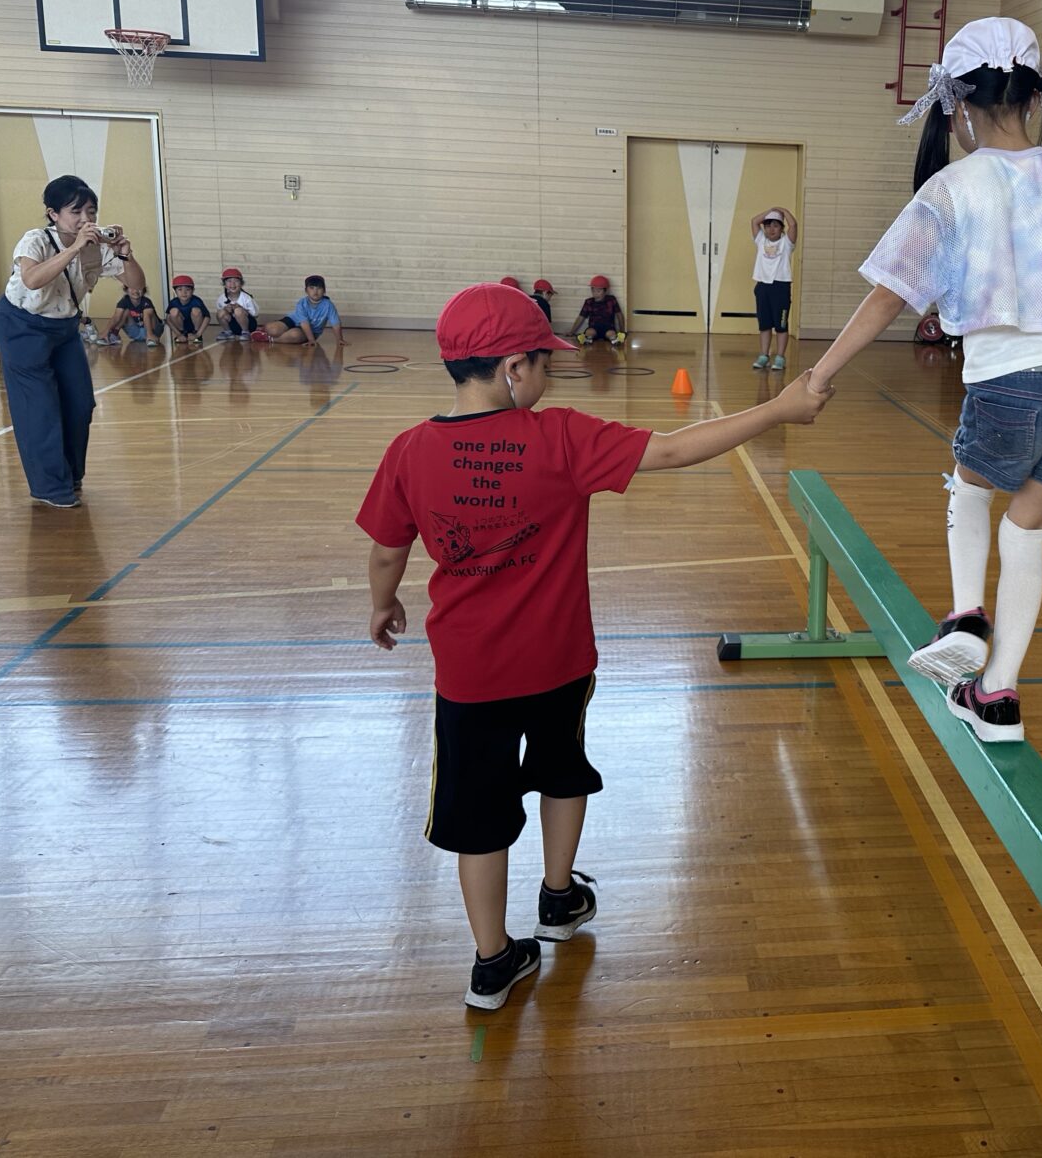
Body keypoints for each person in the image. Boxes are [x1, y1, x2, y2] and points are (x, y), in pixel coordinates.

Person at [357, 283, 833, 1011]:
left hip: (469, 674)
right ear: (513, 368)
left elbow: (388, 552)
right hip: (557, 663)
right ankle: (558, 899)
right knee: (561, 770)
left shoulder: (409, 451)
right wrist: (779, 408)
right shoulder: (558, 437)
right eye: (542, 364)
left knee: (477, 816)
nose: (547, 378)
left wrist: (382, 604)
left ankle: (492, 963)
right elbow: (672, 451)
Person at [806, 17, 1042, 744]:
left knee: (971, 488)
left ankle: (967, 614)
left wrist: (819, 375)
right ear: (1034, 97)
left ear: (958, 105)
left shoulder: (952, 188)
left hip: (1010, 388)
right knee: (1026, 528)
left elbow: (888, 296)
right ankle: (998, 696)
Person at [0, 174, 146, 507]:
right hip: (22, 327)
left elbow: (136, 285)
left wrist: (124, 254)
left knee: (80, 403)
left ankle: (71, 474)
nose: (86, 219)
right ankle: (51, 487)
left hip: (64, 328)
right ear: (53, 214)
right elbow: (33, 279)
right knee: (39, 408)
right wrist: (75, 247)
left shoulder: (98, 247)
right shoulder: (35, 240)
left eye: (90, 211)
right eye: (76, 211)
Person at [750, 207, 797, 371]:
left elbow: (794, 225)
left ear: (781, 228)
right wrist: (769, 211)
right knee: (764, 324)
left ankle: (780, 357)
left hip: (780, 287)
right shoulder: (761, 240)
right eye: (768, 225)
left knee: (781, 324)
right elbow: (754, 221)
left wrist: (783, 211)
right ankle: (764, 355)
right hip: (763, 286)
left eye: (776, 225)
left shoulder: (786, 243)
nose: (771, 229)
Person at [260, 275, 344, 346]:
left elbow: (335, 323)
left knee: (295, 334)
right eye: (312, 288)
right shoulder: (302, 303)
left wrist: (339, 339)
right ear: (306, 290)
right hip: (293, 321)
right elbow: (304, 322)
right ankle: (263, 331)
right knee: (272, 329)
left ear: (324, 291)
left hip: (310, 331)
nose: (315, 291)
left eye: (319, 288)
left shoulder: (328, 305)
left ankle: (268, 338)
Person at [567, 276, 624, 347]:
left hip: (609, 327)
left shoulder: (611, 300)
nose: (595, 293)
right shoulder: (589, 302)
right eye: (593, 291)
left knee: (611, 333)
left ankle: (614, 340)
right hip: (594, 327)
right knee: (589, 332)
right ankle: (587, 339)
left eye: (598, 291)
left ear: (606, 291)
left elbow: (619, 314)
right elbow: (581, 317)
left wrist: (622, 330)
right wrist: (572, 331)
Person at [215, 267, 259, 341]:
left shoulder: (246, 298)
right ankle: (228, 332)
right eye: (229, 281)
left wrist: (242, 309)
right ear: (224, 285)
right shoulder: (222, 298)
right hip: (233, 326)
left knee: (238, 311)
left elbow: (255, 314)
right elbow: (219, 314)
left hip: (249, 325)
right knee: (221, 312)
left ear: (241, 284)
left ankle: (245, 332)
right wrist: (226, 309)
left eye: (236, 281)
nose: (232, 284)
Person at [165, 275, 210, 345]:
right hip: (181, 327)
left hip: (194, 327)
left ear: (193, 290)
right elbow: (167, 319)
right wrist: (178, 334)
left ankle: (196, 335)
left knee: (196, 310)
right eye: (180, 289)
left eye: (187, 289)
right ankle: (183, 333)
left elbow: (207, 317)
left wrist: (198, 334)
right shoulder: (173, 302)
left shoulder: (197, 301)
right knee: (173, 312)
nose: (184, 292)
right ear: (175, 291)